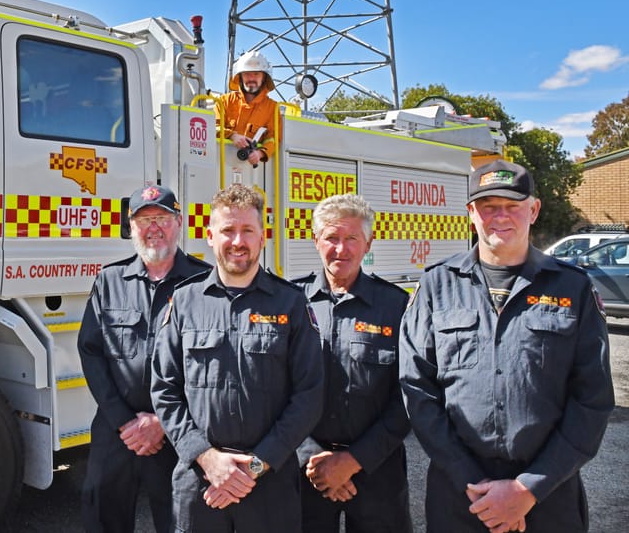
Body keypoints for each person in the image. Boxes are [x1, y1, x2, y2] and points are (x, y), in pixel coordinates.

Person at [399, 159, 615, 533]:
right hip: (460, 495)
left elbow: (592, 399)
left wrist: (528, 488)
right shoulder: (437, 285)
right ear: (471, 213)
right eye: (488, 206)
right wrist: (470, 480)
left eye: (512, 205)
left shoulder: (572, 287)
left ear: (533, 210)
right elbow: (417, 389)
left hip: (548, 495)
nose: (500, 216)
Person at [151, 183, 324, 531]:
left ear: (263, 237)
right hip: (200, 483)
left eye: (248, 230)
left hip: (269, 484)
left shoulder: (291, 303)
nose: (237, 241)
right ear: (209, 236)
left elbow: (309, 396)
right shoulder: (184, 302)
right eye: (228, 230)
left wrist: (254, 468)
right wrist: (207, 458)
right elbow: (164, 390)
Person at [78, 184, 211, 533]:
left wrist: (161, 422)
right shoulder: (109, 281)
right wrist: (125, 422)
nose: (154, 228)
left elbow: (211, 366)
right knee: (102, 515)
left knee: (182, 521)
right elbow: (91, 352)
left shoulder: (203, 282)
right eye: (144, 220)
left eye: (162, 219)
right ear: (131, 227)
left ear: (178, 223)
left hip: (179, 431)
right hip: (117, 430)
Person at [291, 194, 412, 532]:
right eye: (331, 237)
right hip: (306, 472)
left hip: (378, 470)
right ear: (316, 240)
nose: (341, 249)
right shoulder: (291, 302)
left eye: (352, 238)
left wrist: (353, 461)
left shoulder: (395, 306)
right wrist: (311, 456)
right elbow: (274, 388)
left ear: (368, 243)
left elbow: (409, 395)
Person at [215, 50, 280, 167]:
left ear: (264, 78)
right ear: (239, 77)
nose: (251, 78)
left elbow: (273, 139)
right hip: (220, 166)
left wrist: (260, 153)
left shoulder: (272, 108)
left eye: (256, 74)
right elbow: (212, 127)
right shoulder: (224, 101)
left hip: (252, 172)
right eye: (246, 74)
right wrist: (232, 135)